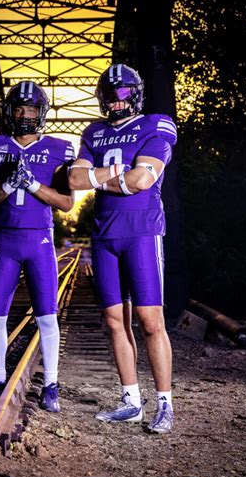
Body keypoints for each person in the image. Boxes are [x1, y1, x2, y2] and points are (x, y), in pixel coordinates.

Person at [68, 63, 177, 433]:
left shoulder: (156, 124)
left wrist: (97, 178)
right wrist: (117, 177)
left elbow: (143, 179)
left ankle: (165, 403)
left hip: (142, 233)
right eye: (110, 96)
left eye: (124, 93)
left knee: (150, 322)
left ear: (137, 92)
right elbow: (73, 177)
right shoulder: (94, 132)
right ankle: (131, 400)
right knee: (115, 322)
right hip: (104, 236)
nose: (116, 102)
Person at [0, 81, 75, 412]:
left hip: (40, 239)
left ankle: (51, 383)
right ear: (8, 112)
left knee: (47, 315)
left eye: (31, 109)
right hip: (4, 238)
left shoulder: (58, 148)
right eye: (18, 108)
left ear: (41, 113)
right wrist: (7, 184)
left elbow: (65, 203)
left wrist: (32, 184)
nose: (24, 115)